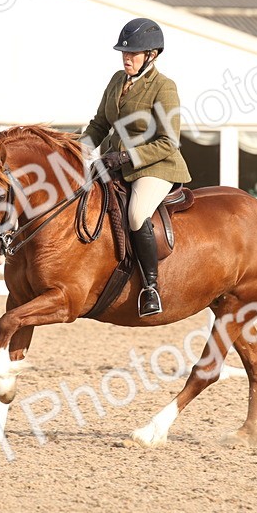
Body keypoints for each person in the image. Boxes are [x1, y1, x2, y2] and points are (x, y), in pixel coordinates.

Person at [81, 18, 191, 317]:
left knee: (136, 213)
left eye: (133, 54)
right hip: (113, 163)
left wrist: (126, 157)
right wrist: (77, 150)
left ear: (151, 55)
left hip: (155, 166)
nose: (126, 58)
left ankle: (150, 288)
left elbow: (168, 141)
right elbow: (100, 124)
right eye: (124, 54)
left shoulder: (164, 87)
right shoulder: (117, 80)